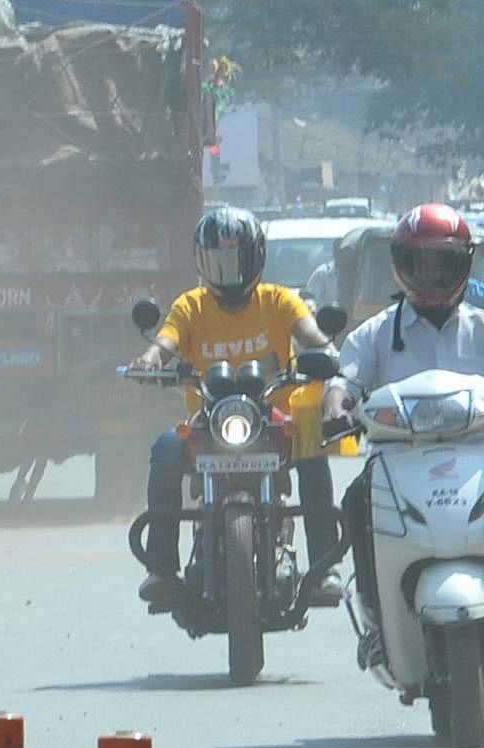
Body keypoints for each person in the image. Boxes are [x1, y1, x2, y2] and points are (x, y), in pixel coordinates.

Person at [128, 206, 341, 607]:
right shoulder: (190, 306)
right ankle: (160, 568)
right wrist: (150, 361)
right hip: (207, 420)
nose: (228, 273)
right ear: (201, 262)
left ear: (256, 257)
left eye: (236, 261)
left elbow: (311, 334)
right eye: (217, 263)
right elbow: (165, 343)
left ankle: (324, 567)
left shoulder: (279, 300)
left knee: (313, 444)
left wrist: (328, 353)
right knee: (166, 448)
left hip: (274, 421)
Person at [323, 203, 483, 666]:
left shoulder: (481, 327)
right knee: (356, 501)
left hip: (477, 459)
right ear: (402, 263)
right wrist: (337, 410)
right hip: (397, 462)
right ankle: (375, 614)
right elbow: (343, 384)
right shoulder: (374, 335)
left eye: (444, 261)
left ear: (463, 263)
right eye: (422, 261)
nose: (432, 272)